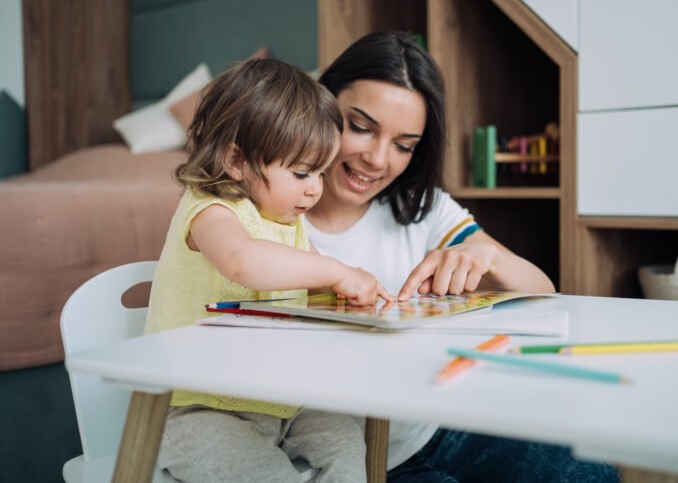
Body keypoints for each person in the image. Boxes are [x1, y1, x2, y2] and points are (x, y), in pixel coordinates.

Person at [305, 31, 619, 482]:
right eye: (360, 127)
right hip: (345, 459)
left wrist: (484, 256)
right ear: (321, 103)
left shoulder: (422, 209)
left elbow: (542, 289)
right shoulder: (267, 218)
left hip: (436, 427)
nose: (377, 159)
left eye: (404, 145)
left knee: (590, 476)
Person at [145, 58, 392, 482]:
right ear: (237, 160)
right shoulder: (210, 210)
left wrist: (349, 301)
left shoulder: (288, 222)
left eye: (320, 171)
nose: (315, 188)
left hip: (279, 400)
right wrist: (335, 270)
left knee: (350, 444)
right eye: (301, 173)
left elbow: (312, 291)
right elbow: (243, 262)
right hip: (197, 410)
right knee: (269, 476)